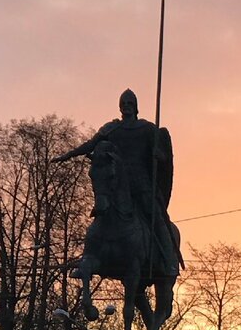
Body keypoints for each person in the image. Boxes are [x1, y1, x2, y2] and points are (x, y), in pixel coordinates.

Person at [54, 88, 181, 276]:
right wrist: (69, 154)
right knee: (101, 214)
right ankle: (90, 257)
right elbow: (91, 145)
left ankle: (169, 261)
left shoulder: (147, 129)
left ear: (136, 107)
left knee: (156, 217)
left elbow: (163, 155)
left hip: (142, 185)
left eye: (130, 104)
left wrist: (158, 155)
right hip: (117, 184)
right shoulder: (111, 129)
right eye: (123, 104)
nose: (126, 107)